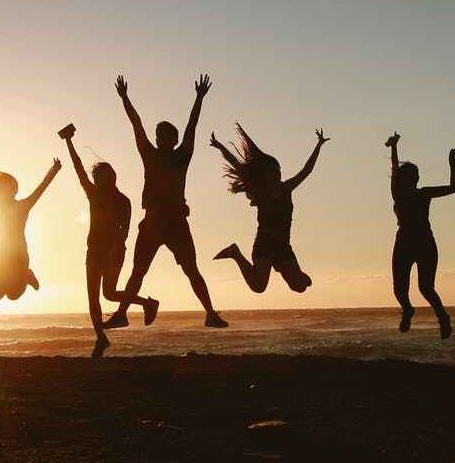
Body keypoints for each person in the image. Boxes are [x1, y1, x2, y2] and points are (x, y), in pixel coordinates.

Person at [106, 74, 226, 329]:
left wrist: (199, 98)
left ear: (173, 139)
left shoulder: (182, 156)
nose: (159, 138)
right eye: (158, 135)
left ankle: (210, 313)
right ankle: (122, 314)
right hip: (151, 222)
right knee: (138, 271)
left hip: (175, 223)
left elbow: (192, 127)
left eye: (164, 135)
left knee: (191, 270)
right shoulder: (149, 154)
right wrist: (125, 98)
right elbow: (136, 124)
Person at [61, 125, 158, 358]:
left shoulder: (123, 201)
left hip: (114, 252)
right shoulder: (93, 194)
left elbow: (124, 231)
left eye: (104, 176)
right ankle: (102, 339)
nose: (100, 180)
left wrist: (114, 251)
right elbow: (78, 169)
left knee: (109, 294)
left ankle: (146, 304)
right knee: (97, 297)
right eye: (98, 178)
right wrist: (69, 142)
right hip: (94, 251)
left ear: (113, 176)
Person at [208, 125, 323, 295]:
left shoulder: (286, 188)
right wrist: (220, 147)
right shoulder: (260, 192)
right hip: (265, 244)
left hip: (283, 246)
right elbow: (238, 166)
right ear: (265, 175)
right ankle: (235, 253)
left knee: (300, 287)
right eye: (272, 172)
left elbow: (306, 171)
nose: (277, 174)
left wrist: (318, 145)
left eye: (278, 171)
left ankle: (291, 272)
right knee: (259, 287)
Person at [384, 132, 455, 339]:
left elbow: (453, 188)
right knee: (399, 289)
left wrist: (452, 164)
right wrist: (393, 147)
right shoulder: (397, 194)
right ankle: (407, 310)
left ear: (416, 180)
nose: (407, 180)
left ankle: (443, 318)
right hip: (404, 243)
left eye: (412, 177)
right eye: (404, 178)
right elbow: (395, 169)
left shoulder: (423, 193)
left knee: (426, 288)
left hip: (425, 243)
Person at [0, 146, 60, 302]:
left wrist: (54, 170)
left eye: (1, 188)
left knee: (13, 295)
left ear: (13, 190)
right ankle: (23, 276)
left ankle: (26, 275)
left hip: (18, 257)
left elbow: (41, 188)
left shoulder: (23, 205)